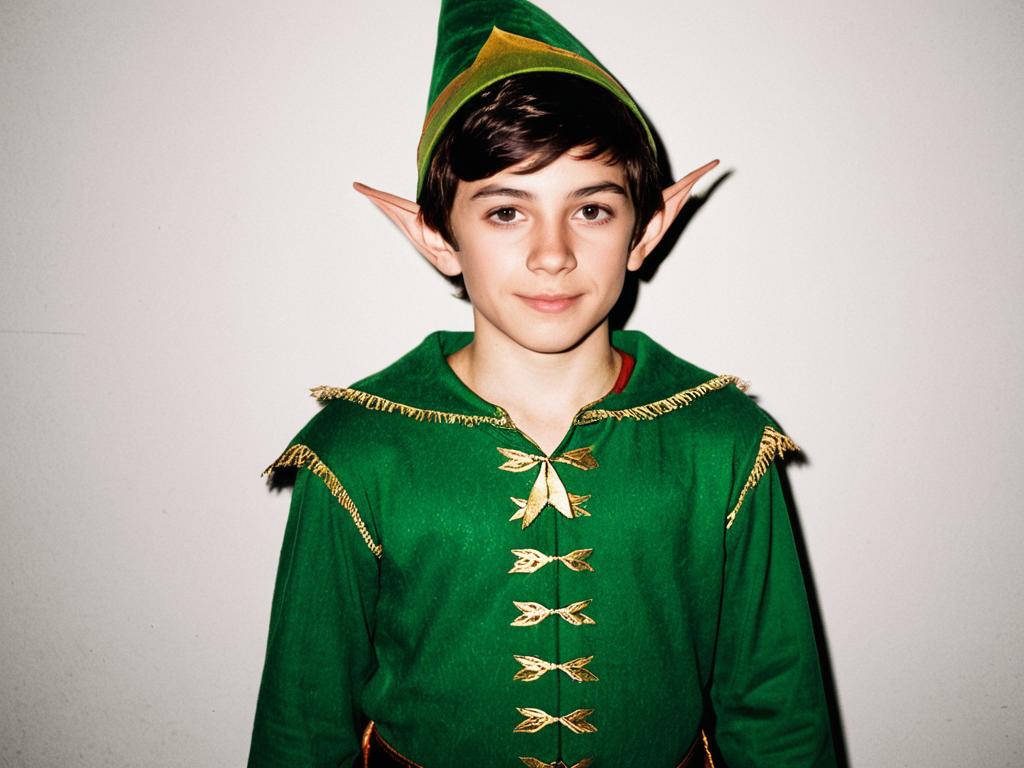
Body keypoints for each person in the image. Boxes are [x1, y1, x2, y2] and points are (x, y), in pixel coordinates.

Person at [248, 1, 837, 766]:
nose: (552, 254)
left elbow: (778, 712)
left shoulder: (722, 442)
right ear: (436, 235)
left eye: (590, 208)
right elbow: (301, 723)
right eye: (505, 212)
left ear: (647, 229)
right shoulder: (358, 451)